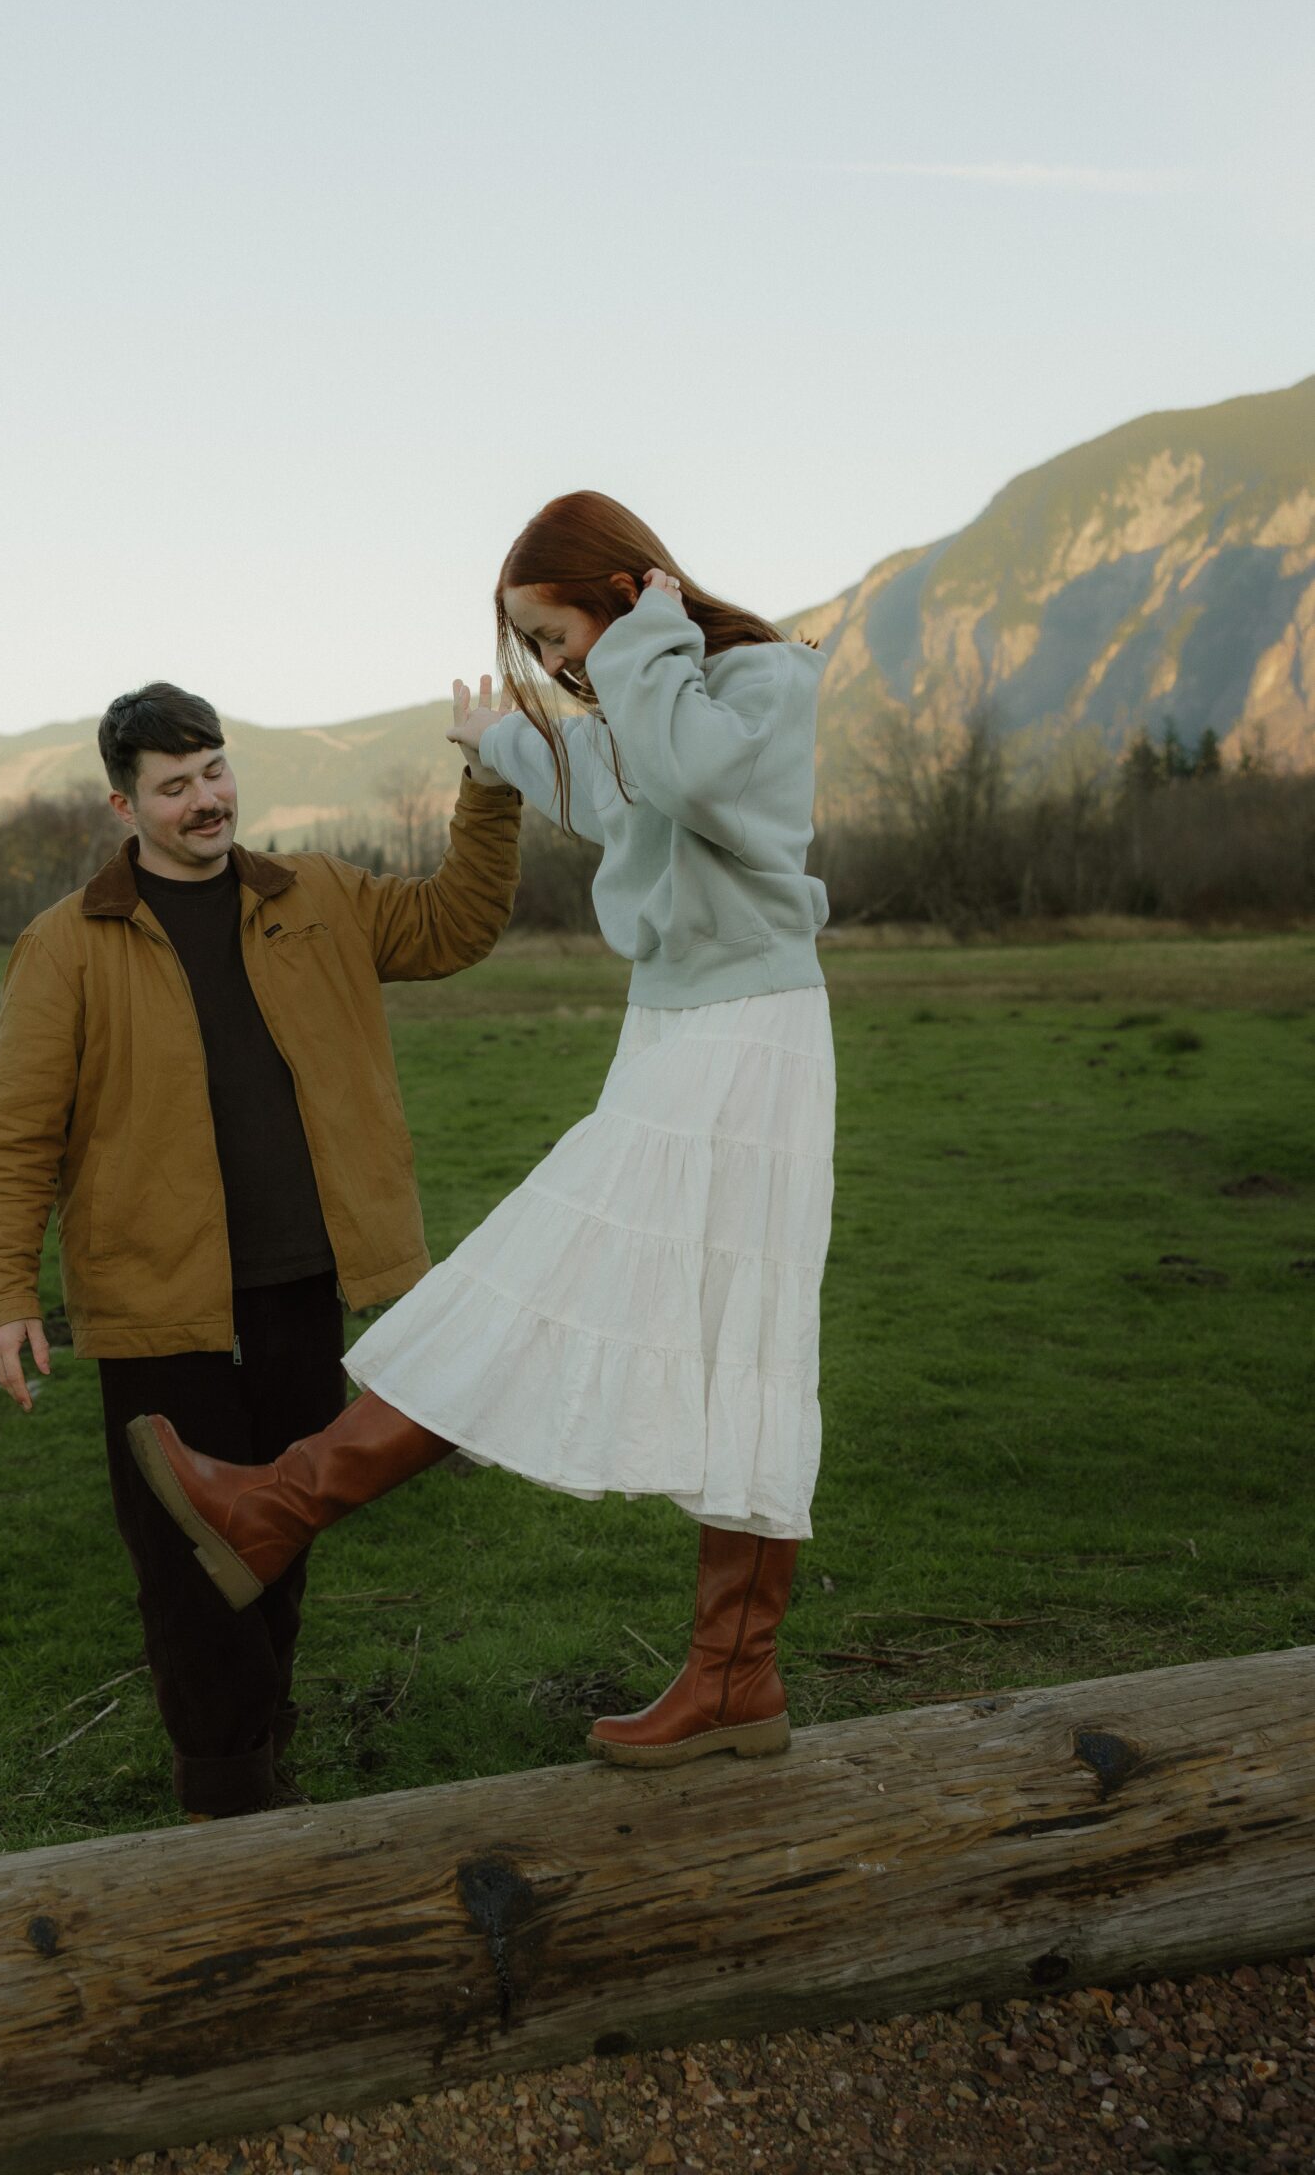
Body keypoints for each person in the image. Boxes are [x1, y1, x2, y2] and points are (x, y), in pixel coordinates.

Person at [128, 492, 833, 1771]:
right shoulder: (653, 687)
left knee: (686, 1319)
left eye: (554, 633)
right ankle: (738, 1675)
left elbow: (686, 775)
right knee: (600, 1294)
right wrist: (498, 746)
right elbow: (624, 801)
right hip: (680, 1029)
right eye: (541, 649)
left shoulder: (758, 679)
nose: (559, 664)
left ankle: (286, 1503)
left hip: (753, 1036)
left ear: (620, 590)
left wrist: (642, 642)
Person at [0, 679, 522, 1819]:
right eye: (174, 787)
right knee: (184, 1570)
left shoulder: (315, 894)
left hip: (299, 1287)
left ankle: (259, 1747)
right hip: (157, 1305)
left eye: (214, 770)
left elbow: (457, 923)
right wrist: (2, 1293)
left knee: (278, 1532)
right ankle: (228, 1792)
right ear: (125, 806)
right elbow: (15, 1136)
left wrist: (491, 781)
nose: (206, 800)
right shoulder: (69, 946)